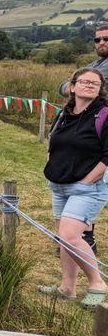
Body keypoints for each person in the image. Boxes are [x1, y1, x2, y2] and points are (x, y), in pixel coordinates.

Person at [38, 67, 108, 309]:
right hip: (59, 185)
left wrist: (87, 181)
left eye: (95, 83)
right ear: (73, 86)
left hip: (88, 188)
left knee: (70, 236)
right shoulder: (64, 114)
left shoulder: (104, 115)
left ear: (100, 90)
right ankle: (67, 287)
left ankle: (97, 283)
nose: (89, 85)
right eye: (85, 81)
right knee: (65, 239)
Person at [57, 24, 108, 253]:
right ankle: (80, 236)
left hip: (100, 127)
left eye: (105, 39)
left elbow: (72, 84)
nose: (101, 43)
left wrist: (77, 83)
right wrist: (73, 84)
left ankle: (80, 238)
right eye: (97, 40)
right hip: (87, 127)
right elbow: (63, 86)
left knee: (92, 182)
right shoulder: (96, 64)